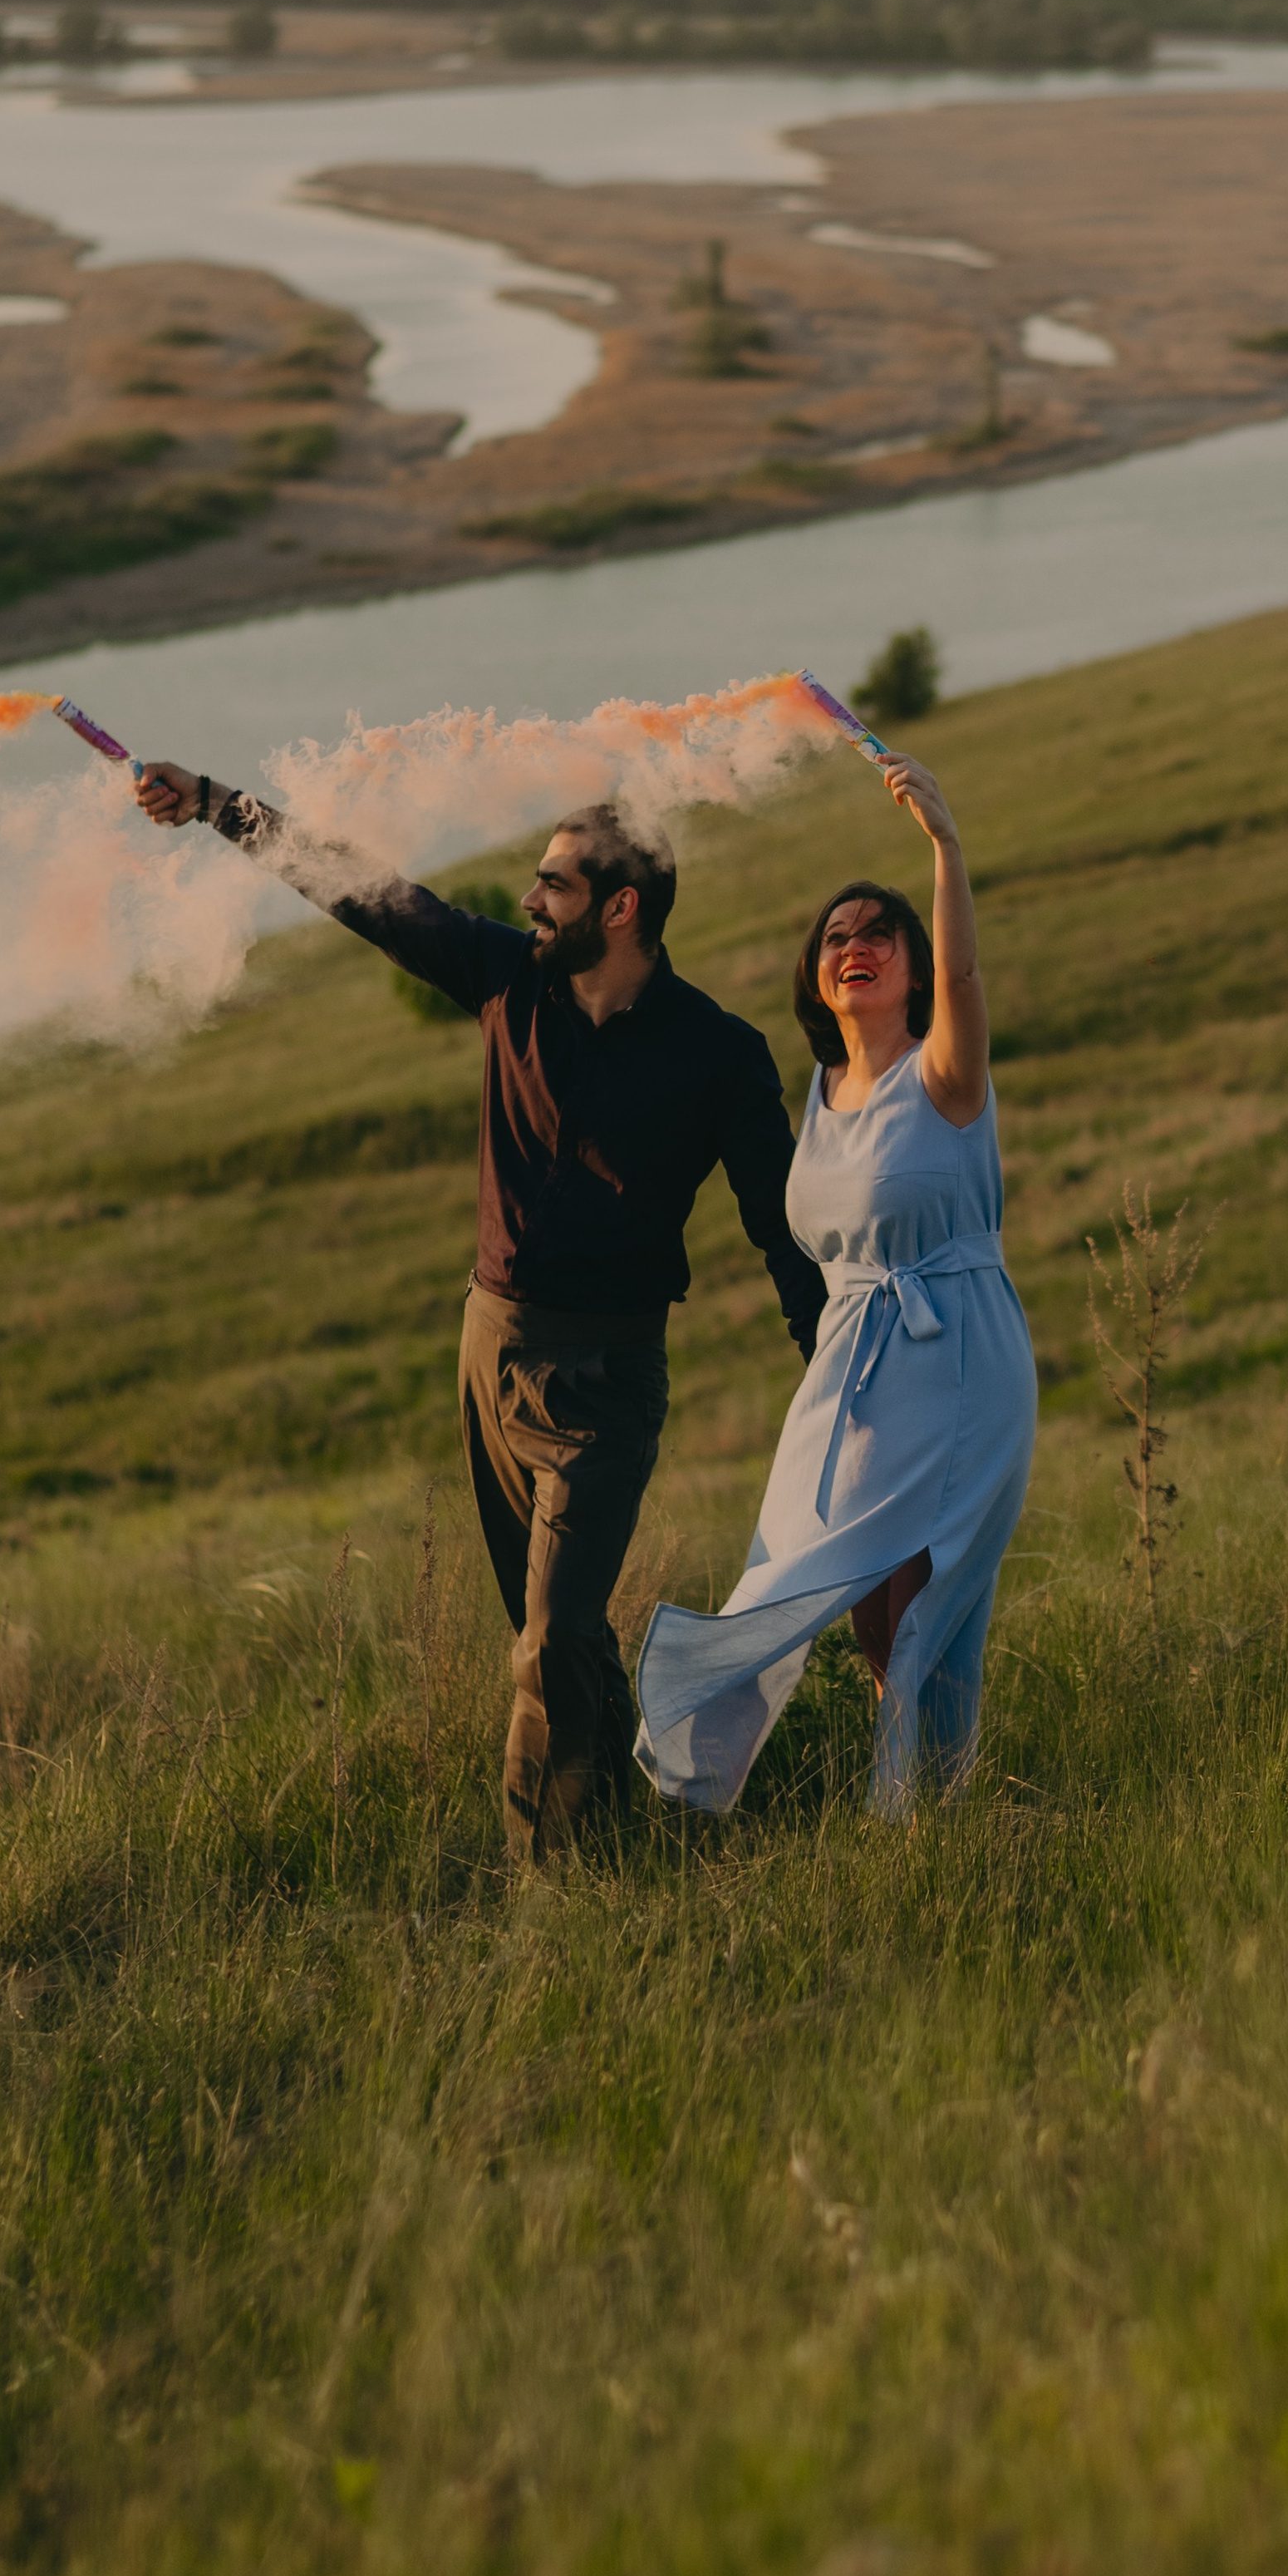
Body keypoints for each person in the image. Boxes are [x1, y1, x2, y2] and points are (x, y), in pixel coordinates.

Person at [134, 757, 827, 1864]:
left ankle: (546, 1890)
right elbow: (365, 889)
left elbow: (778, 1227)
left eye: (551, 881)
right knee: (554, 1633)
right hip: (489, 1346)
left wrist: (831, 1363)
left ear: (620, 907)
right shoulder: (508, 981)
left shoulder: (720, 1054)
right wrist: (218, 804)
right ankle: (621, 1831)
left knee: (551, 1638)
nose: (528, 896)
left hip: (604, 1380)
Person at [635, 752, 1035, 1820]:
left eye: (877, 934)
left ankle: (922, 1814)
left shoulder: (942, 1073)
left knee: (919, 1596)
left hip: (952, 1351)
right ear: (817, 975)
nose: (854, 946)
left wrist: (944, 850)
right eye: (836, 938)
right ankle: (701, 1751)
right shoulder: (820, 1089)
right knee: (818, 1583)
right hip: (850, 1366)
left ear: (909, 968)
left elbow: (965, 984)